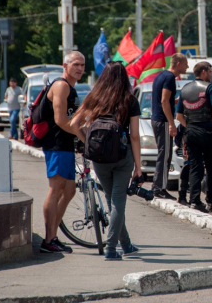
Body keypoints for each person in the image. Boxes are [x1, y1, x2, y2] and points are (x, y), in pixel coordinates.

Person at [70, 62, 142, 260]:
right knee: (117, 202)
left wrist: (87, 143)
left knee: (112, 201)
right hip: (122, 157)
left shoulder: (94, 97)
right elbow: (135, 136)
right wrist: (138, 166)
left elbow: (74, 124)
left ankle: (126, 245)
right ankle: (111, 248)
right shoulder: (129, 100)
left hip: (99, 158)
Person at [40, 51, 85, 253]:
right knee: (56, 188)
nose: (80, 68)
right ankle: (49, 239)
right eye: (76, 64)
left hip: (66, 145)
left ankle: (53, 235)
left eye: (82, 65)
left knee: (69, 190)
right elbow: (60, 120)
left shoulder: (71, 87)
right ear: (65, 66)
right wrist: (82, 137)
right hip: (56, 144)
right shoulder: (61, 85)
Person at [176, 61, 212, 213]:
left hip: (191, 132)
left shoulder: (185, 89)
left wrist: (189, 127)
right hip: (208, 132)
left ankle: (194, 201)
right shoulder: (210, 88)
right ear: (203, 72)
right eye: (210, 72)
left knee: (195, 167)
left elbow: (179, 115)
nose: (211, 75)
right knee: (211, 168)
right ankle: (211, 201)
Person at [151, 53, 188, 199]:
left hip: (158, 119)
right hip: (163, 121)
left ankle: (158, 186)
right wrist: (172, 124)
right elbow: (164, 101)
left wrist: (177, 101)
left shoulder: (161, 75)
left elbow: (165, 99)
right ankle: (159, 188)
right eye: (185, 64)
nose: (187, 67)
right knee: (165, 155)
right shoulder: (169, 78)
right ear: (178, 64)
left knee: (164, 154)